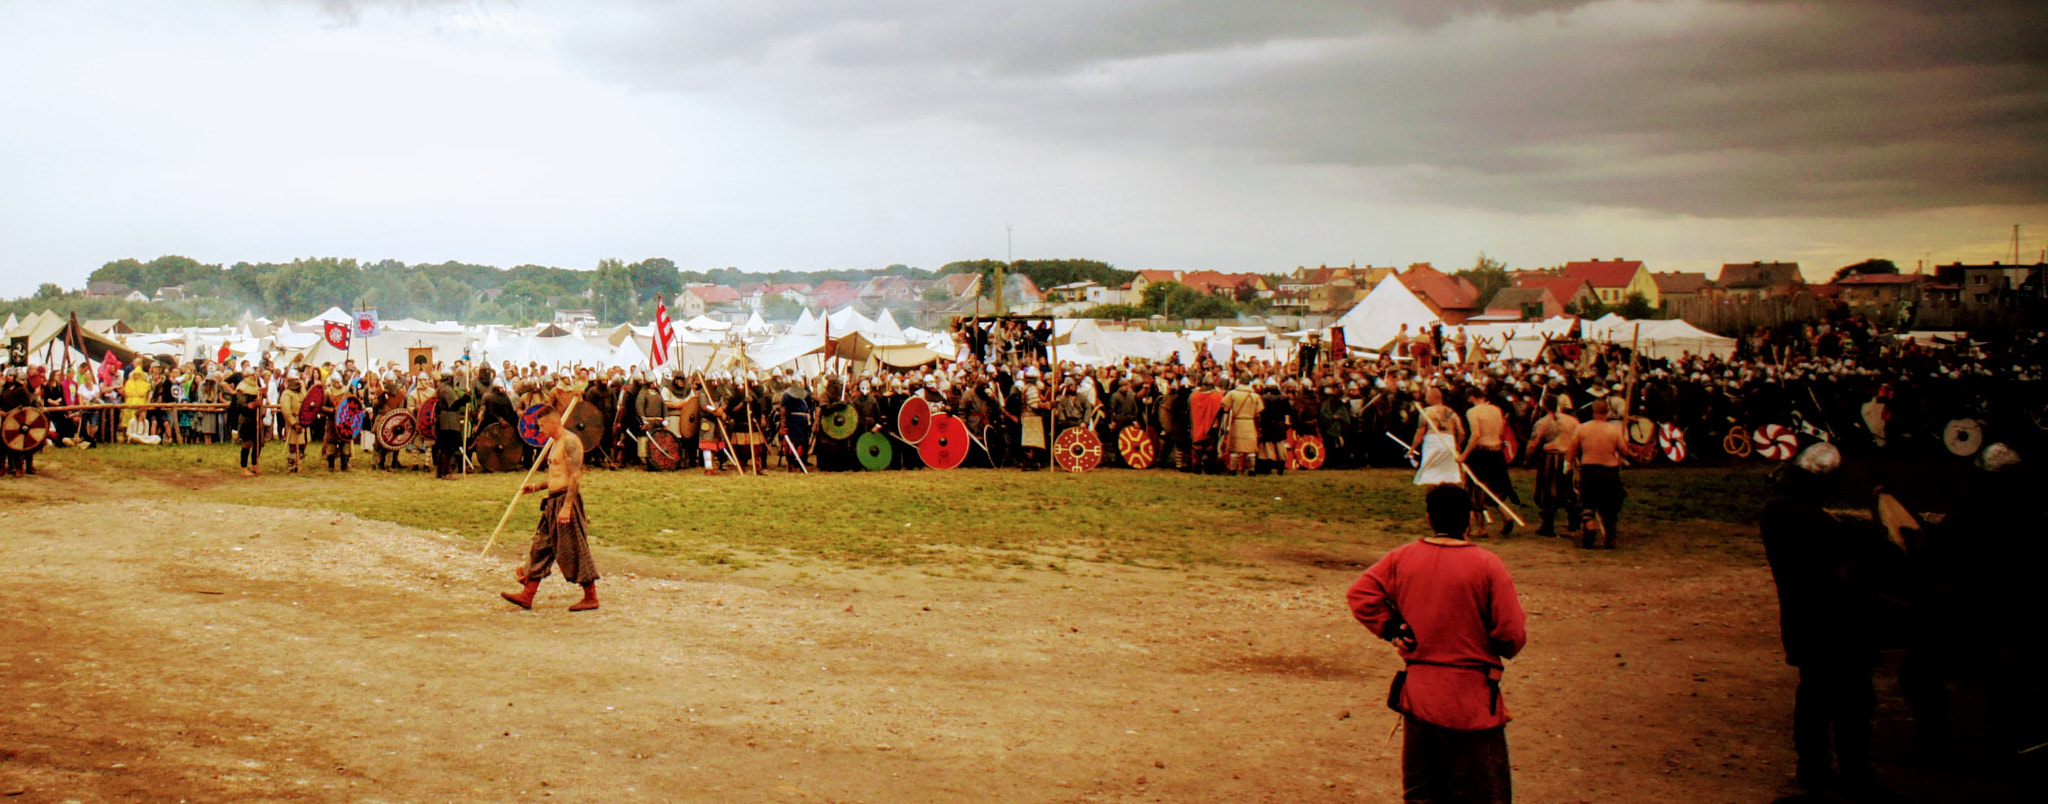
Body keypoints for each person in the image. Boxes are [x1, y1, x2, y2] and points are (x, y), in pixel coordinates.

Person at [1348, 485, 1527, 804]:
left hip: (1419, 696)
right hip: (1472, 701)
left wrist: (1391, 627)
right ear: (1468, 521)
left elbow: (1361, 594)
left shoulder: (1402, 558)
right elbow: (1511, 635)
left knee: (1423, 795)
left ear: (1429, 518)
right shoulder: (1487, 565)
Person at [1760, 444, 1907, 802]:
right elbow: (1841, 573)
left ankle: (1814, 767)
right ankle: (1855, 775)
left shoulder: (1780, 511)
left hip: (1803, 621)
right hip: (1835, 625)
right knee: (1853, 701)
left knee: (1814, 696)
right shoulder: (1809, 521)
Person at [500, 403, 601, 612]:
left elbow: (575, 476)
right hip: (552, 502)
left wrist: (567, 507)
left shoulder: (571, 442)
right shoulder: (554, 444)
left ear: (555, 422)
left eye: (543, 426)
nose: (540, 430)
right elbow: (556, 477)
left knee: (573, 549)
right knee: (540, 547)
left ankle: (591, 597)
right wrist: (536, 487)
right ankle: (527, 595)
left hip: (566, 501)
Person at [1564, 398, 1626, 549]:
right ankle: (1610, 537)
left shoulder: (1582, 428)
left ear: (1592, 412)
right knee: (1610, 506)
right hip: (1609, 470)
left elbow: (1572, 450)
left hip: (1589, 469)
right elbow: (1624, 451)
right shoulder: (1614, 430)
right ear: (1607, 412)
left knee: (1587, 502)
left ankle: (1590, 523)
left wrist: (1567, 466)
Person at [1458, 387, 1518, 537]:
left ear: (1471, 397)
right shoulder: (1496, 410)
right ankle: (1506, 514)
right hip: (1496, 451)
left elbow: (1476, 434)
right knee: (1492, 488)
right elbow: (1501, 429)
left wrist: (1464, 455)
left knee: (1475, 488)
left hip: (1482, 452)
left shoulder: (1473, 412)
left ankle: (1480, 527)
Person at [1527, 395, 1582, 538]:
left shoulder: (1543, 422)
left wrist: (1527, 459)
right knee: (1568, 490)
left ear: (1544, 405)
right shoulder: (1572, 421)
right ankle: (1574, 520)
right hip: (1569, 456)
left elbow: (1533, 443)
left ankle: (1549, 525)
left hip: (1552, 458)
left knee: (1549, 492)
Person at [1410, 387, 1464, 486]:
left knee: (1430, 468)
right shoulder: (1451, 412)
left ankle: (1433, 487)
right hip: (1449, 440)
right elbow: (1461, 432)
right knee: (1448, 471)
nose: (1425, 399)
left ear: (1432, 398)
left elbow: (1420, 432)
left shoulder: (1426, 412)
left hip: (1433, 440)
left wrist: (1412, 448)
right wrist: (1458, 445)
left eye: (1426, 396)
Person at [1220, 378, 1264, 475]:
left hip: (1237, 423)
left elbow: (1224, 405)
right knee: (1251, 448)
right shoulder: (1255, 396)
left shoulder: (1232, 394)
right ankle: (1252, 469)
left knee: (1235, 447)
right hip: (1250, 422)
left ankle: (1233, 469)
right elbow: (1258, 411)